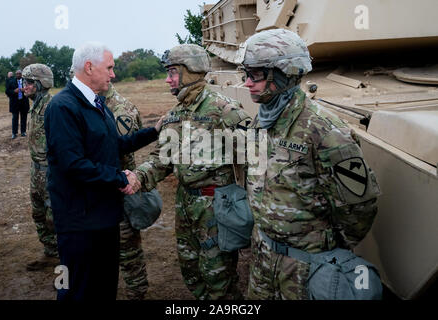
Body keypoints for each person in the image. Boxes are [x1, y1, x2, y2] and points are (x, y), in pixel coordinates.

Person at [241, 29, 380, 299]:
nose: (247, 83)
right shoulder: (263, 121)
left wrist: (326, 248)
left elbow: (359, 207)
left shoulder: (325, 131)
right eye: (245, 74)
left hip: (307, 267)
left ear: (283, 73)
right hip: (264, 257)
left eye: (255, 74)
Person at [44, 42, 162, 300]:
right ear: (89, 67)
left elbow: (113, 145)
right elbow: (72, 164)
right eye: (109, 67)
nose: (113, 74)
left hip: (105, 217)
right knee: (77, 289)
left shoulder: (96, 103)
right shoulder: (63, 107)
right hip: (80, 223)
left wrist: (154, 131)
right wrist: (120, 177)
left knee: (103, 287)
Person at [134, 44, 250, 300]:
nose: (167, 79)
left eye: (172, 72)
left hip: (215, 206)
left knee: (219, 277)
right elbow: (162, 160)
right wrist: (137, 177)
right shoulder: (175, 114)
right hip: (185, 204)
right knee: (191, 271)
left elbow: (254, 157)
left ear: (191, 71)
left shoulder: (223, 109)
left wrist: (248, 206)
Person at [101, 82, 149, 300]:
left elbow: (120, 148)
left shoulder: (120, 109)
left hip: (120, 188)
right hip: (100, 188)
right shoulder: (94, 104)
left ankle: (136, 291)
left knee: (127, 248)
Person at [21, 63, 59, 271]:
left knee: (54, 217)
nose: (24, 87)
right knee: (38, 213)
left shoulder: (53, 107)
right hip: (36, 171)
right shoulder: (34, 106)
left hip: (51, 172)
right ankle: (50, 253)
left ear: (39, 83)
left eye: (27, 83)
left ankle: (66, 259)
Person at [5, 70, 30, 139]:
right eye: (17, 74)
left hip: (24, 102)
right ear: (15, 75)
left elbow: (30, 89)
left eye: (20, 74)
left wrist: (25, 90)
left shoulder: (26, 82)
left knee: (24, 118)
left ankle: (23, 132)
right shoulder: (11, 81)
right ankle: (14, 133)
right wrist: (13, 91)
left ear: (22, 74)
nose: (18, 75)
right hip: (15, 103)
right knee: (15, 118)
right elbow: (7, 91)